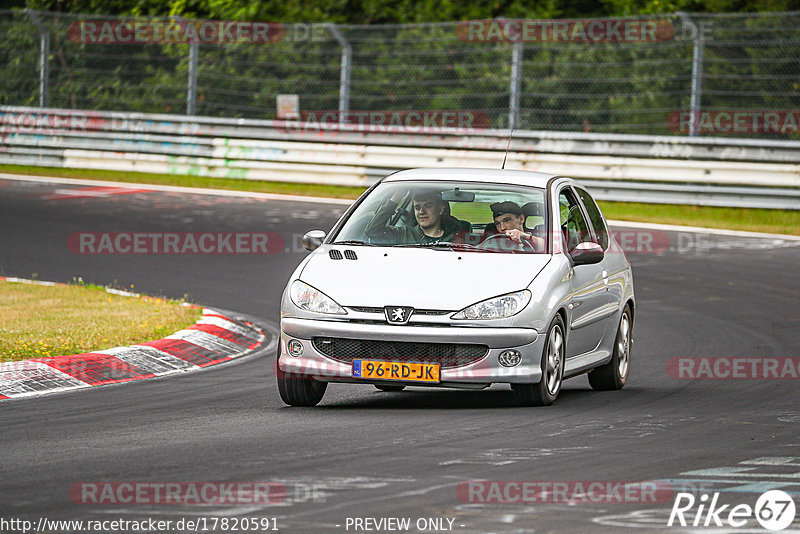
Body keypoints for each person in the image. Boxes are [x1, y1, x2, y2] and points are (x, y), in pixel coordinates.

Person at [364, 189, 460, 245]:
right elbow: (372, 231)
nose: (422, 212)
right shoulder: (403, 234)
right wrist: (395, 199)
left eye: (428, 206)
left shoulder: (457, 237)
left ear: (440, 209)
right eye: (417, 208)